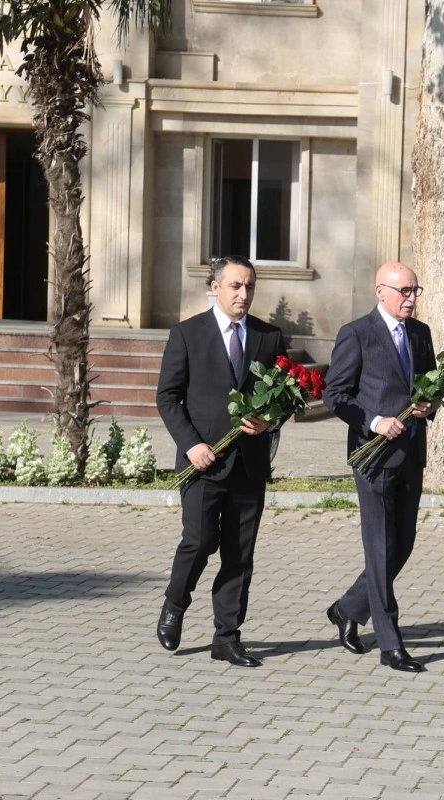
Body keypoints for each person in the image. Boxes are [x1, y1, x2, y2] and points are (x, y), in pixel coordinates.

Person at [154, 256, 287, 668]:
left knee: (239, 552)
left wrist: (269, 420)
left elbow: (285, 396)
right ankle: (175, 602)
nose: (243, 294)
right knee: (199, 541)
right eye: (235, 286)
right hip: (203, 462)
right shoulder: (187, 334)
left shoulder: (269, 337)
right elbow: (167, 397)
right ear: (215, 287)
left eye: (250, 286)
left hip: (249, 463)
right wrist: (191, 445)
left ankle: (226, 637)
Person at [322, 262, 437, 673]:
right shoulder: (357, 334)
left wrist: (428, 406)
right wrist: (373, 422)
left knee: (401, 545)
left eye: (415, 290)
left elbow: (430, 387)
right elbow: (335, 394)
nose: (411, 298)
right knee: (380, 546)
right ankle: (391, 644)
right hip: (373, 456)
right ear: (380, 291)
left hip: (411, 452)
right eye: (404, 291)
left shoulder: (420, 334)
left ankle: (347, 608)